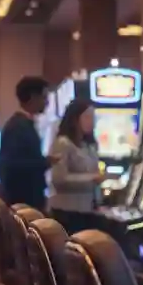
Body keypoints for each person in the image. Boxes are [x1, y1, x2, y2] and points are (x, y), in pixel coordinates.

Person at [48, 97, 104, 235]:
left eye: (93, 117)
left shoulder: (89, 146)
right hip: (67, 212)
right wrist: (90, 179)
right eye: (87, 117)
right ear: (74, 119)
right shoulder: (63, 143)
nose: (92, 121)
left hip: (88, 209)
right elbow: (58, 179)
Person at [0, 76, 51, 211]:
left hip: (23, 199)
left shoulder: (20, 124)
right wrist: (45, 162)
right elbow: (12, 165)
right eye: (44, 97)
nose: (47, 102)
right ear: (33, 97)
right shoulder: (19, 127)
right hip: (24, 200)